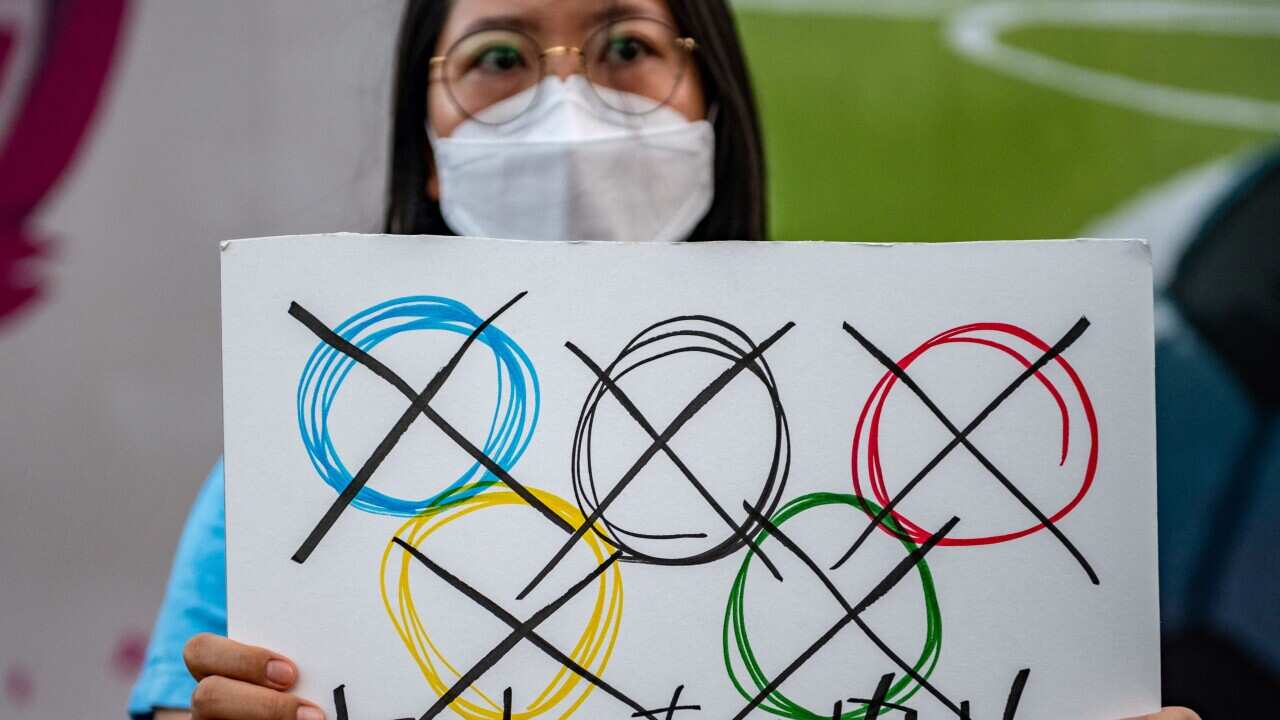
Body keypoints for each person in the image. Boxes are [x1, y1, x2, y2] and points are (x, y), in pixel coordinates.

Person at [126, 2, 1196, 719]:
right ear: (432, 146)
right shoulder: (279, 492)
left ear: (709, 104)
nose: (568, 107)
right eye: (496, 58)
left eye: (625, 45)